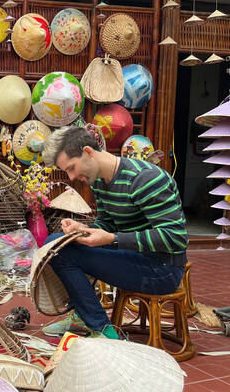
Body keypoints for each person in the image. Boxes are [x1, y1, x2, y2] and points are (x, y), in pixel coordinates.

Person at [40, 126, 188, 339]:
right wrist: (84, 230)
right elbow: (108, 224)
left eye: (71, 168)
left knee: (62, 252)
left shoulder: (145, 179)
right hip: (131, 256)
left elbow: (175, 238)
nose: (71, 177)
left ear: (88, 152)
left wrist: (113, 239)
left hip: (161, 269)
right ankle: (84, 317)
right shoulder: (99, 181)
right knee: (56, 242)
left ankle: (103, 332)